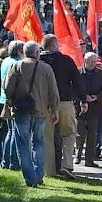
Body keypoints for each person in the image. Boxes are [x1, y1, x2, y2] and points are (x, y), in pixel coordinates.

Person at [4, 41, 59, 187]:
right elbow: (53, 92)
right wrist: (55, 110)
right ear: (37, 53)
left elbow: (8, 88)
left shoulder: (16, 66)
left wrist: (11, 100)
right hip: (41, 111)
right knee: (39, 143)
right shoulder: (46, 68)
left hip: (22, 110)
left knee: (23, 144)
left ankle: (30, 177)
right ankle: (39, 174)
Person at [40, 34, 87, 179]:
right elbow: (77, 81)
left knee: (47, 136)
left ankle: (49, 167)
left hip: (44, 104)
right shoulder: (66, 60)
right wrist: (83, 100)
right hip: (65, 102)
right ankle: (66, 164)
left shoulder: (38, 61)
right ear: (54, 45)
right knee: (69, 133)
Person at [75, 52, 102, 167]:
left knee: (92, 135)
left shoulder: (100, 74)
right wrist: (83, 98)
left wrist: (97, 97)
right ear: (85, 61)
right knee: (80, 133)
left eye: (94, 62)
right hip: (81, 108)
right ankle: (78, 155)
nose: (93, 64)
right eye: (90, 62)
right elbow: (73, 88)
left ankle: (89, 160)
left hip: (95, 108)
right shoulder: (78, 73)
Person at [0, 40, 24, 170]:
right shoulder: (16, 63)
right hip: (12, 100)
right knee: (14, 132)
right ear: (20, 51)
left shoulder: (6, 61)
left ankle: (5, 161)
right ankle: (12, 162)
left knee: (10, 131)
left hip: (4, 99)